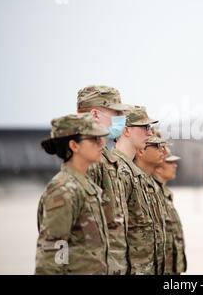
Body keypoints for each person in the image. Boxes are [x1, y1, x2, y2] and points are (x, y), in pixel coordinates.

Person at [35, 113, 110, 274]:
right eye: (94, 139)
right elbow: (52, 251)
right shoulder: (63, 189)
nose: (101, 144)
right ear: (74, 146)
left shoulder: (85, 185)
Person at [77, 85, 130, 275]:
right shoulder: (87, 160)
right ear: (95, 114)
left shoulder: (104, 156)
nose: (121, 119)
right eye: (116, 112)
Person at [112, 106, 165, 274]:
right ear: (126, 130)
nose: (150, 133)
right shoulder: (117, 171)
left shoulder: (133, 172)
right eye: (145, 127)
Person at [134, 133, 168, 275]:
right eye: (156, 146)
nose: (163, 151)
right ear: (141, 151)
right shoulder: (132, 180)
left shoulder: (151, 183)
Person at [153, 145, 187, 275]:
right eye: (170, 162)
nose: (175, 165)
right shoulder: (154, 193)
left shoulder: (164, 192)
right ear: (159, 168)